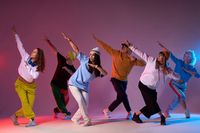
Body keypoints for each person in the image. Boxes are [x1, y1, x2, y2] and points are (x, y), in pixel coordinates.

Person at [93, 35, 145, 120]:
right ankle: (108, 110)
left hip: (124, 81)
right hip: (115, 79)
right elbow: (106, 47)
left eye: (125, 46)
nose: (122, 47)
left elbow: (143, 63)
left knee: (121, 97)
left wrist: (135, 60)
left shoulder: (131, 60)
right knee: (123, 95)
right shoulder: (115, 53)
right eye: (122, 46)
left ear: (129, 49)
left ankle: (128, 112)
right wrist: (98, 40)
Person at [62, 32, 108, 126]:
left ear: (97, 57)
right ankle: (87, 120)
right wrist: (70, 40)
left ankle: (75, 118)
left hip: (84, 86)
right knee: (80, 100)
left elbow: (105, 73)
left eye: (93, 55)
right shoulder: (85, 59)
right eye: (90, 54)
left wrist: (97, 67)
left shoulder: (97, 69)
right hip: (74, 83)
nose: (91, 56)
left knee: (85, 105)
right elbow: (76, 49)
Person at [129, 41, 179, 125]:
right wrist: (131, 46)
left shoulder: (166, 70)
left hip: (152, 88)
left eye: (162, 57)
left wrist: (174, 73)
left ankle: (137, 115)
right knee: (152, 104)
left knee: (152, 105)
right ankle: (161, 117)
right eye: (159, 56)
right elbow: (141, 53)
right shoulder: (151, 60)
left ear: (165, 60)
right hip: (143, 85)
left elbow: (177, 77)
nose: (160, 58)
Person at [10, 26, 45, 127]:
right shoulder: (25, 56)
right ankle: (32, 120)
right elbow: (20, 46)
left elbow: (34, 76)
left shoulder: (37, 66)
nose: (32, 52)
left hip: (31, 87)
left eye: (34, 52)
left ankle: (15, 115)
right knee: (25, 103)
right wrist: (16, 34)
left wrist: (28, 66)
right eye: (33, 50)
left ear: (38, 56)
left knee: (28, 106)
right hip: (20, 83)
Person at [158, 42, 200, 118]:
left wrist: (186, 70)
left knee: (178, 99)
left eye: (188, 55)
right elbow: (170, 54)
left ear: (191, 58)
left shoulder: (192, 68)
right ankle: (186, 111)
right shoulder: (179, 62)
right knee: (182, 96)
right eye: (185, 54)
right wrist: (163, 47)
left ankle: (167, 111)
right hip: (174, 83)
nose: (186, 56)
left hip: (183, 86)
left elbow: (197, 76)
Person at [45, 37, 76, 119]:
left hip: (64, 86)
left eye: (69, 55)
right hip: (55, 83)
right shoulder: (61, 59)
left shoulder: (73, 68)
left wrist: (67, 69)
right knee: (59, 100)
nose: (66, 55)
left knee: (65, 101)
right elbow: (55, 51)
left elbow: (74, 75)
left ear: (72, 59)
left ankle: (56, 110)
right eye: (67, 55)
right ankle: (67, 114)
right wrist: (49, 42)